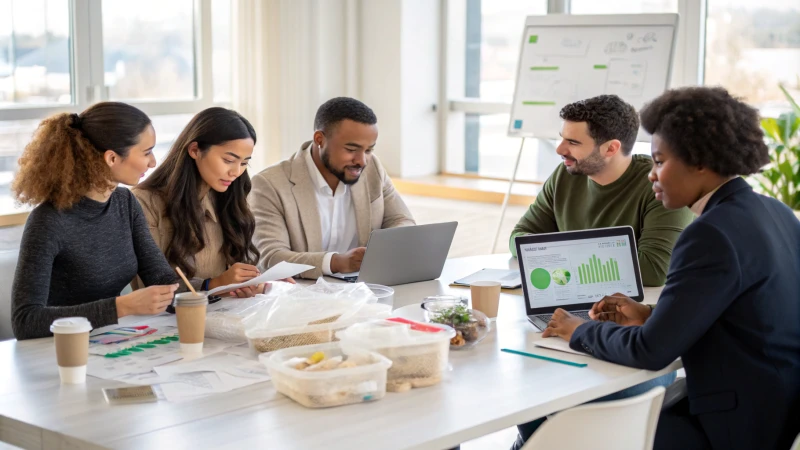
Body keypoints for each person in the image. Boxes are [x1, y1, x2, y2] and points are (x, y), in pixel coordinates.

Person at [543, 87, 800, 450]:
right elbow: (744, 315)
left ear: (700, 162)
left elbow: (651, 352)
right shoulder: (775, 212)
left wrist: (578, 330)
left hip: (731, 429)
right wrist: (651, 313)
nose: (651, 175)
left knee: (561, 433)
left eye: (660, 162)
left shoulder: (710, 234)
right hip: (776, 411)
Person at [11, 102, 180, 340]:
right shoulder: (48, 221)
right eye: (146, 152)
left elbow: (160, 277)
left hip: (110, 340)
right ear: (112, 158)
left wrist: (203, 291)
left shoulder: (125, 203)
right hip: (59, 351)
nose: (153, 162)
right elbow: (26, 321)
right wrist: (122, 307)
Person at [510, 95, 694, 287]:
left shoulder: (663, 184)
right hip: (578, 295)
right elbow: (519, 237)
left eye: (573, 142)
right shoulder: (565, 175)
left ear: (611, 148)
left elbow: (653, 270)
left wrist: (553, 252)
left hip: (643, 307)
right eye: (562, 138)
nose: (560, 149)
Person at [248, 97, 415, 279]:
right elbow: (271, 257)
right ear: (319, 139)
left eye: (368, 150)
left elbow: (401, 220)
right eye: (351, 149)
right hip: (302, 294)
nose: (361, 161)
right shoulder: (269, 184)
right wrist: (336, 262)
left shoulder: (372, 168)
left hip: (364, 287)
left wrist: (384, 248)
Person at [133, 107, 270, 298]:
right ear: (195, 150)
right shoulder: (144, 202)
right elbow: (149, 286)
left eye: (244, 163)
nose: (236, 172)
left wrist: (252, 282)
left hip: (226, 313)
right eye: (229, 160)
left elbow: (236, 270)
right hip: (170, 321)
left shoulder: (230, 196)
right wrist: (213, 284)